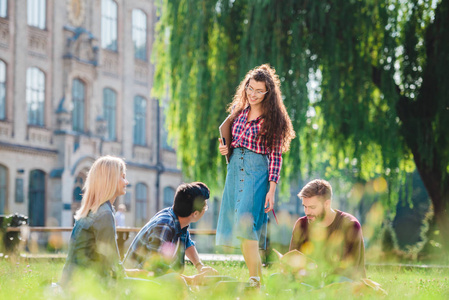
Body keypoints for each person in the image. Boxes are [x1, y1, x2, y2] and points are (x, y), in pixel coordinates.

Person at [216, 64, 295, 287]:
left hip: (256, 172)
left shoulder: (273, 119)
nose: (252, 94)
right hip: (234, 170)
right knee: (241, 225)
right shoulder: (239, 112)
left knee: (245, 223)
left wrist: (272, 189)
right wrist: (225, 148)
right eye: (250, 88)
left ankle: (255, 278)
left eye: (259, 91)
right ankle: (256, 278)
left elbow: (276, 156)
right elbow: (231, 140)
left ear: (268, 93)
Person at [123, 182, 218, 285]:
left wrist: (200, 266)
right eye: (205, 207)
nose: (205, 209)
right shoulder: (164, 226)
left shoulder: (179, 218)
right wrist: (192, 280)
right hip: (138, 282)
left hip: (153, 279)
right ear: (195, 214)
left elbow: (187, 243)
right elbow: (157, 271)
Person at [60, 156, 131, 286]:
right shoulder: (104, 213)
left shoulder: (95, 209)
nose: (126, 182)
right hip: (86, 287)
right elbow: (111, 265)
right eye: (122, 176)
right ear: (111, 179)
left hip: (74, 283)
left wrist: (132, 273)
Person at [289, 179, 366, 283]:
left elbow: (350, 271)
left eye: (312, 207)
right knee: (276, 278)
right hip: (308, 281)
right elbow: (291, 262)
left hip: (340, 283)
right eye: (305, 206)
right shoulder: (301, 225)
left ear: (327, 204)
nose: (307, 212)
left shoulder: (350, 225)